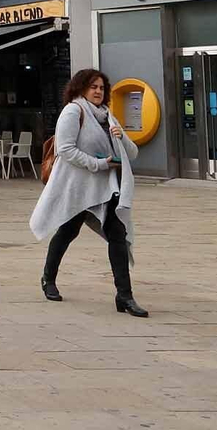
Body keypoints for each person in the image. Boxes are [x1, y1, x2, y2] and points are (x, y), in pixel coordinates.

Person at [30, 68, 146, 316]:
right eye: (93, 87)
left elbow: (132, 153)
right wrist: (98, 164)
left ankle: (124, 296)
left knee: (118, 235)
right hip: (78, 188)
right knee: (68, 231)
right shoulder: (74, 111)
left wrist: (121, 138)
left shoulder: (108, 117)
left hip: (105, 188)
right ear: (81, 88)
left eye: (102, 88)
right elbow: (65, 149)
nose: (98, 92)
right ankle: (48, 279)